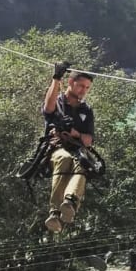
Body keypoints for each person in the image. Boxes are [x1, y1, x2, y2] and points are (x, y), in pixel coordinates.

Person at [42, 62, 95, 233]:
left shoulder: (86, 110)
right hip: (55, 148)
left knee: (83, 163)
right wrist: (56, 78)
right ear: (71, 83)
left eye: (87, 88)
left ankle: (70, 202)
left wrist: (75, 134)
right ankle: (55, 212)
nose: (83, 90)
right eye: (81, 86)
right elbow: (48, 107)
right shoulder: (58, 102)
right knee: (65, 159)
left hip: (77, 149)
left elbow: (88, 140)